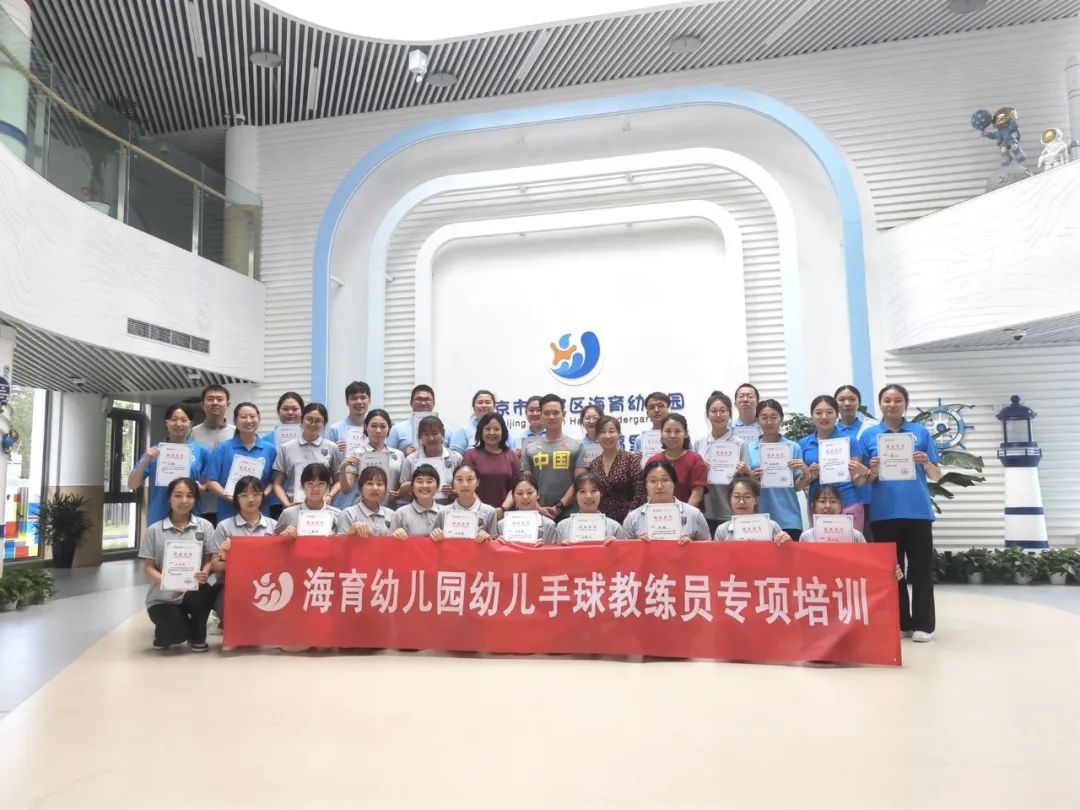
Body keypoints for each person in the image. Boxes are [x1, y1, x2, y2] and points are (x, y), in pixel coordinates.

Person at [862, 383, 942, 643]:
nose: (892, 405)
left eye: (897, 400)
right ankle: (901, 622)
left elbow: (937, 475)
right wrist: (873, 471)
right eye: (887, 400)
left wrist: (926, 463)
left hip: (917, 512)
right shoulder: (869, 436)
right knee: (890, 571)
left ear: (905, 404)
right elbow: (863, 480)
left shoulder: (920, 433)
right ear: (880, 404)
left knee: (921, 569)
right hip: (884, 513)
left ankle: (924, 625)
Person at [138, 477, 215, 652]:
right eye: (178, 495)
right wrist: (169, 581)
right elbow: (148, 567)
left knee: (205, 592)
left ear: (195, 499)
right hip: (162, 598)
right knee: (177, 633)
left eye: (190, 496)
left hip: (191, 590)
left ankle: (197, 637)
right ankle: (166, 633)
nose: (184, 501)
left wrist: (205, 572)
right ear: (169, 499)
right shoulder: (154, 530)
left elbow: (209, 558)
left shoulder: (205, 527)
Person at [208, 476, 278, 634]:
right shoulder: (224, 526)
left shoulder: (273, 525)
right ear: (236, 498)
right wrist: (228, 558)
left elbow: (279, 561)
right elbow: (215, 565)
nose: (251, 499)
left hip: (265, 582)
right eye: (244, 495)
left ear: (262, 496)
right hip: (231, 582)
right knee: (228, 611)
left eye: (256, 494)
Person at [128, 404, 212, 526]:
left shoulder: (201, 452)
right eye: (174, 419)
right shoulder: (154, 452)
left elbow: (213, 481)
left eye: (183, 420)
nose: (178, 424)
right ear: (166, 423)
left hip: (192, 515)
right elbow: (132, 484)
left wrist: (204, 487)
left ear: (191, 424)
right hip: (159, 516)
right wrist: (144, 461)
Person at [800, 485, 905, 581]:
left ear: (841, 506)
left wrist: (889, 572)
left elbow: (867, 566)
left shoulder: (856, 536)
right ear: (813, 506)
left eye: (833, 501)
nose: (828, 506)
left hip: (848, 587)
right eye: (822, 501)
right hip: (819, 587)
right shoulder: (806, 537)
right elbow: (800, 568)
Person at [797, 394, 870, 532]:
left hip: (848, 503)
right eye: (818, 413)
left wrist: (864, 472)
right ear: (811, 416)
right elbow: (800, 485)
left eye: (829, 412)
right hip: (818, 505)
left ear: (837, 415)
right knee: (821, 545)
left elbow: (857, 480)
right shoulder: (803, 443)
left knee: (850, 545)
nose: (824, 417)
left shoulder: (850, 440)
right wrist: (810, 475)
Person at [203, 402, 276, 524]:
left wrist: (261, 496)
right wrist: (230, 498)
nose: (248, 420)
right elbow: (210, 481)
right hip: (228, 511)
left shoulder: (270, 449)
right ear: (235, 421)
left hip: (260, 512)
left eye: (252, 416)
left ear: (259, 418)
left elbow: (274, 482)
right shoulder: (223, 448)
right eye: (243, 417)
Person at [747, 399, 806, 540]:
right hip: (758, 516)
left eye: (774, 417)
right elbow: (744, 484)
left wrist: (805, 472)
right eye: (764, 417)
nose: (769, 422)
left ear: (781, 419)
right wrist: (751, 478)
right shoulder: (748, 448)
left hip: (788, 517)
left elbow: (797, 487)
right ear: (757, 420)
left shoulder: (793, 447)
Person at [693, 391, 750, 534]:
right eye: (714, 411)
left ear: (730, 414)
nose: (718, 415)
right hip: (705, 509)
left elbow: (747, 481)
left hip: (730, 509)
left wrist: (744, 471)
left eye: (723, 411)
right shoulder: (699, 444)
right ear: (707, 415)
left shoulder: (740, 444)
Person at [521, 394, 583, 520]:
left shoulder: (577, 446)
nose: (551, 417)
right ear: (541, 416)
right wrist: (538, 508)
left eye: (556, 413)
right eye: (547, 413)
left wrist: (560, 506)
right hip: (538, 514)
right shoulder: (530, 449)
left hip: (570, 514)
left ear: (563, 415)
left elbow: (580, 481)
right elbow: (526, 484)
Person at [271, 403, 342, 510]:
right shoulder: (287, 447)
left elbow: (339, 481)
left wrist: (330, 495)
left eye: (318, 421)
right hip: (294, 506)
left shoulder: (332, 447)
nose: (313, 424)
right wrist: (287, 504)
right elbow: (277, 484)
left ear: (324, 423)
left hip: (322, 508)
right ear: (302, 419)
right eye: (309, 419)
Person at [622, 459, 711, 543]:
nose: (659, 486)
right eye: (653, 481)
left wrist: (692, 545)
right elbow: (624, 551)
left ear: (674, 483)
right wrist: (638, 545)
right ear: (645, 485)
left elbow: (708, 549)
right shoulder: (633, 518)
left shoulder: (694, 514)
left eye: (665, 480)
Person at [335, 409, 404, 509]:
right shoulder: (356, 454)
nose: (378, 430)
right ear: (366, 427)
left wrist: (399, 493)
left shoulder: (398, 455)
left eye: (383, 426)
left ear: (389, 428)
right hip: (363, 509)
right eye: (374, 426)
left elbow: (402, 486)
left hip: (390, 509)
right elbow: (346, 489)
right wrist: (342, 470)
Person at [835, 384, 878, 539]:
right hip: (837, 498)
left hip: (866, 497)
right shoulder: (828, 431)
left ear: (859, 403)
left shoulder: (870, 429)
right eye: (842, 399)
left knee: (866, 543)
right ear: (835, 403)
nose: (847, 403)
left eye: (852, 399)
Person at [189, 384, 236, 525]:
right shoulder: (192, 433)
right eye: (210, 399)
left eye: (219, 399)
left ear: (227, 405)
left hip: (231, 503)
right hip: (200, 504)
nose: (215, 403)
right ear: (202, 405)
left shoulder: (237, 433)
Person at [585, 415, 645, 525]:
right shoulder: (594, 464)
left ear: (619, 434)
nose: (607, 436)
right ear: (597, 436)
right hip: (602, 522)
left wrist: (630, 518)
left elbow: (640, 492)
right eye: (602, 432)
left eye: (611, 431)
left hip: (629, 521)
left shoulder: (630, 459)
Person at [646, 413, 708, 508]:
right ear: (661, 433)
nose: (672, 435)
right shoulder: (653, 461)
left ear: (686, 434)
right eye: (668, 431)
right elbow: (648, 493)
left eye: (677, 431)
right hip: (658, 513)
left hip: (688, 514)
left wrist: (682, 515)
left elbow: (697, 495)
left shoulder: (695, 459)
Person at [398, 415, 462, 505]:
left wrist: (453, 492)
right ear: (420, 437)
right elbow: (403, 492)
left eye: (435, 433)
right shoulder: (410, 460)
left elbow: (464, 488)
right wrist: (414, 487)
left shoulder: (456, 458)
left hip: (449, 508)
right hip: (419, 509)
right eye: (426, 434)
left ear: (442, 435)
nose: (431, 438)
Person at [462, 413, 518, 514]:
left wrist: (503, 508)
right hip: (475, 513)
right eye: (487, 429)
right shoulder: (470, 455)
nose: (492, 432)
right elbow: (466, 485)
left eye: (496, 429)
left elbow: (517, 487)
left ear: (503, 432)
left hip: (506, 514)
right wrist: (483, 510)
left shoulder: (512, 456)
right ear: (481, 431)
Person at [712, 476, 792, 544]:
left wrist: (787, 542)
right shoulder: (722, 530)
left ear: (756, 500)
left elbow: (785, 554)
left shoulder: (771, 526)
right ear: (730, 499)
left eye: (747, 497)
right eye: (736, 497)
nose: (741, 502)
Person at [430, 463, 496, 542]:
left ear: (477, 482)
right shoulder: (443, 512)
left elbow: (495, 543)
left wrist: (488, 539)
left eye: (470, 479)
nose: (465, 484)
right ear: (453, 483)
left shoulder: (490, 512)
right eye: (459, 479)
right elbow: (432, 542)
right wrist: (435, 535)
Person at [265, 391, 305, 519]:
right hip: (274, 501)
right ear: (278, 411)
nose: (290, 412)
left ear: (302, 411)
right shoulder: (266, 441)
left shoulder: (310, 438)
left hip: (304, 498)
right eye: (285, 409)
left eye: (295, 409)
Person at [555, 473, 626, 544]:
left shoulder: (614, 527)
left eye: (593, 490)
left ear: (601, 493)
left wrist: (615, 546)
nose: (588, 496)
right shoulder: (562, 526)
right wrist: (562, 547)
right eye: (582, 491)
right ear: (575, 496)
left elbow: (623, 550)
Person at [275, 463, 343, 535]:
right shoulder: (288, 514)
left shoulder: (337, 515)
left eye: (321, 484)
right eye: (310, 484)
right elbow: (274, 539)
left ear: (327, 486)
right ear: (302, 486)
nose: (315, 489)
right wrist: (283, 535)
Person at [495, 474, 557, 544]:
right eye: (520, 493)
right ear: (513, 497)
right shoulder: (501, 525)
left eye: (530, 493)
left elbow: (554, 550)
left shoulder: (549, 525)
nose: (525, 497)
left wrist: (544, 548)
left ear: (538, 494)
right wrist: (497, 544)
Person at [337, 467, 396, 537]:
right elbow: (339, 543)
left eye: (379, 484)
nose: (375, 488)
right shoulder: (348, 514)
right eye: (370, 483)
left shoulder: (392, 515)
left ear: (385, 489)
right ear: (360, 488)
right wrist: (350, 533)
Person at [391, 464, 443, 538]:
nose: (424, 486)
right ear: (412, 487)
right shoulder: (400, 514)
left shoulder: (445, 512)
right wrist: (396, 537)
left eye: (429, 481)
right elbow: (389, 543)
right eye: (420, 481)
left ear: (437, 487)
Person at [387, 384, 441, 455]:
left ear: (434, 403)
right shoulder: (397, 429)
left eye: (427, 399)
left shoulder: (446, 429)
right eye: (419, 399)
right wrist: (403, 454)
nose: (423, 403)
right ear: (411, 403)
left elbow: (452, 456)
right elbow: (388, 455)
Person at [325, 380, 372, 453]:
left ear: (369, 400)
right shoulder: (335, 429)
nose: (359, 402)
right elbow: (326, 456)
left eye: (363, 398)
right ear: (347, 402)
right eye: (354, 398)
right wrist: (334, 451)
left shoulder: (376, 429)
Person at [449, 389, 497, 453]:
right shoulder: (464, 431)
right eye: (480, 402)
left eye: (487, 402)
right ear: (473, 407)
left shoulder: (502, 431)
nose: (484, 405)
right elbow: (455, 455)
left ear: (494, 406)